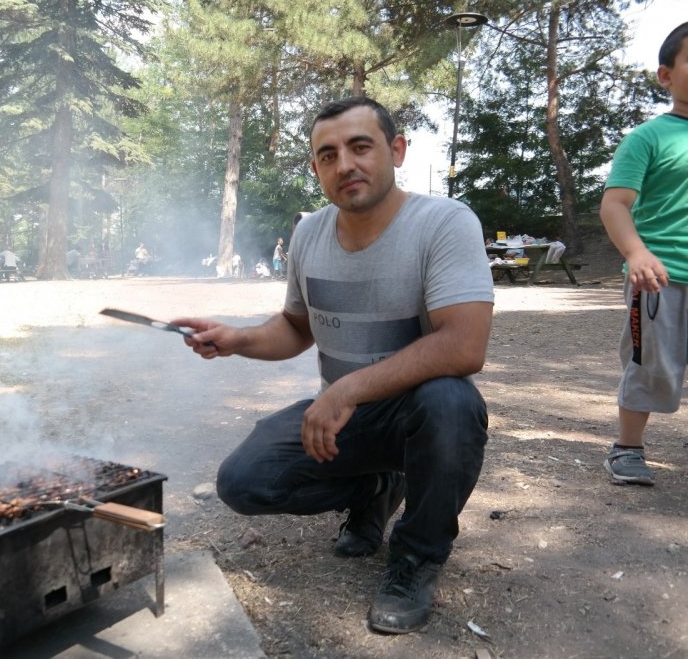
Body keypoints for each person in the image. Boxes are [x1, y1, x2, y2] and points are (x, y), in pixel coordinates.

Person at [171, 96, 493, 634]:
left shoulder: (443, 223)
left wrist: (346, 390)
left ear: (396, 150)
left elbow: (464, 345)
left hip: (412, 415)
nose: (344, 164)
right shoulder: (309, 233)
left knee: (452, 402)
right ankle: (374, 490)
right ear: (317, 167)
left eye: (360, 147)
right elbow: (297, 327)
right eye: (327, 154)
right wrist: (236, 338)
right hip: (344, 420)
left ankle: (416, 557)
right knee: (244, 482)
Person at [598, 22, 688, 487]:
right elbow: (614, 204)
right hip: (660, 277)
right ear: (666, 75)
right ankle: (627, 448)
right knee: (651, 364)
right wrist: (635, 252)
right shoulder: (648, 138)